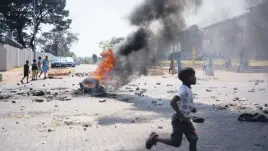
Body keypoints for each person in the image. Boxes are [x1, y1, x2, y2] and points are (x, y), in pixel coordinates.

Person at [146, 67, 198, 151]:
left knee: (193, 139)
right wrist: (181, 116)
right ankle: (155, 139)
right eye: (193, 76)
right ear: (188, 78)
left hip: (186, 121)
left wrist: (192, 108)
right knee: (176, 143)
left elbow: (184, 102)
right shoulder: (183, 89)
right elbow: (172, 102)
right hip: (179, 120)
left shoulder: (188, 88)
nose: (195, 78)